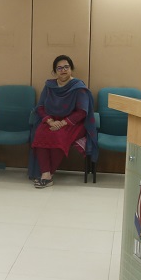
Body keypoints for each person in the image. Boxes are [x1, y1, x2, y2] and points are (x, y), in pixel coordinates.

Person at [28, 55, 96, 188]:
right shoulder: (49, 86)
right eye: (59, 68)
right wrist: (50, 121)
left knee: (59, 136)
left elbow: (82, 112)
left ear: (71, 69)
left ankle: (48, 175)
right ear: (55, 71)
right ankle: (46, 173)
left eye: (66, 67)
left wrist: (63, 123)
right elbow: (40, 107)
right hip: (52, 121)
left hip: (73, 123)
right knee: (40, 133)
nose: (63, 70)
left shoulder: (78, 87)